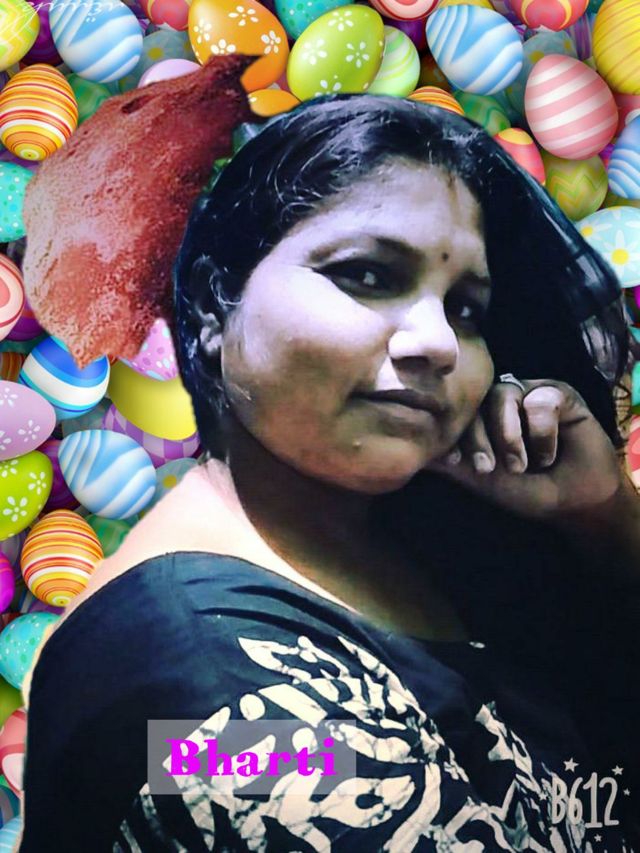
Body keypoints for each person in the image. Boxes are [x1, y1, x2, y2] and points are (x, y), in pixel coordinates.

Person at [18, 94, 640, 852]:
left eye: (467, 310)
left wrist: (605, 517)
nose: (439, 342)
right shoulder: (208, 681)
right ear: (214, 306)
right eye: (368, 274)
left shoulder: (433, 537)